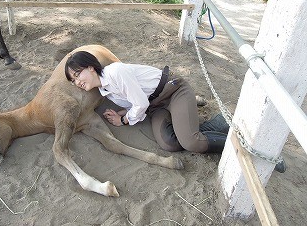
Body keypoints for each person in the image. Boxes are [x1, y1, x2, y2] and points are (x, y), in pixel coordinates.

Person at [64, 51, 230, 154]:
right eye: (73, 80)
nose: (77, 82)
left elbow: (140, 104)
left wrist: (123, 120)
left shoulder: (115, 72)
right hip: (156, 105)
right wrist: (124, 112)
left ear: (91, 67)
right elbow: (135, 101)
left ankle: (234, 144)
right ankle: (212, 125)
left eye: (78, 74)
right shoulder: (104, 90)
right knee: (169, 144)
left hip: (173, 91)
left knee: (191, 143)